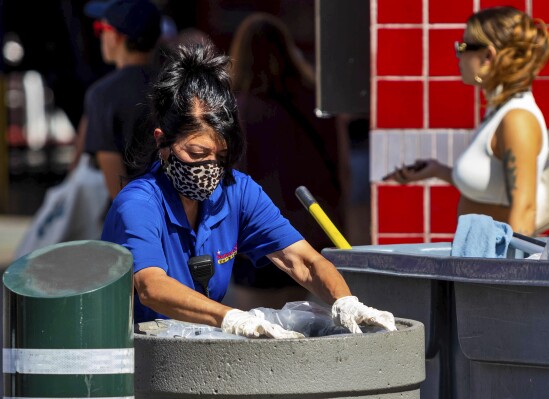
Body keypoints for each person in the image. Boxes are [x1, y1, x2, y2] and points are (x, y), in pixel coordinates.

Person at [101, 43, 396, 339]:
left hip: (193, 354)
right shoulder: (138, 203)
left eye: (221, 155)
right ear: (162, 143)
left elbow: (304, 261)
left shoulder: (237, 192)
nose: (210, 167)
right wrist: (231, 318)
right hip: (133, 358)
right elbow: (152, 287)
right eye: (197, 152)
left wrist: (344, 301)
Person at [384, 6, 549, 236]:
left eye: (463, 47)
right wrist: (438, 170)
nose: (458, 55)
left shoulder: (517, 119)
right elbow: (491, 187)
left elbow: (524, 210)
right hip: (482, 261)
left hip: (498, 266)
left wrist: (508, 271)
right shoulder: (500, 112)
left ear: (488, 56)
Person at [227, 13, 350, 304]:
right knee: (309, 326)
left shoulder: (235, 109)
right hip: (312, 235)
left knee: (257, 331)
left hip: (257, 239)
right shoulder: (317, 103)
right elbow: (341, 168)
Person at [82, 0, 162, 200]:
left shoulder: (102, 95)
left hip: (137, 220)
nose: (100, 37)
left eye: (101, 28)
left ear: (116, 36)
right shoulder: (180, 86)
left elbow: (116, 183)